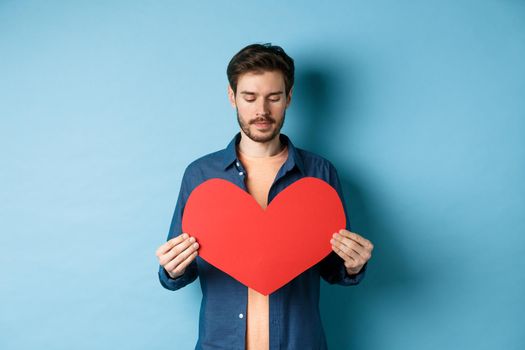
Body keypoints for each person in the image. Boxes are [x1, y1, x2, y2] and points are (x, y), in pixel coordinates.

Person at [155, 43, 374, 350]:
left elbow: (332, 268)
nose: (262, 110)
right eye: (250, 97)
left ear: (289, 98)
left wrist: (352, 265)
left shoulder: (319, 174)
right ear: (232, 98)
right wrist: (172, 268)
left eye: (274, 97)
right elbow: (177, 272)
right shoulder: (200, 176)